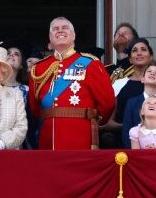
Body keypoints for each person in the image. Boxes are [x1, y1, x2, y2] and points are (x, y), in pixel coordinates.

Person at [29, 17, 115, 150]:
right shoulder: (39, 68)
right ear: (50, 38)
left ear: (73, 36)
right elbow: (35, 108)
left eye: (65, 28)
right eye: (55, 29)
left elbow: (107, 102)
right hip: (47, 138)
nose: (60, 31)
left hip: (80, 136)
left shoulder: (91, 64)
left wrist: (96, 123)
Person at [122, 61, 156, 149]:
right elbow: (126, 130)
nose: (152, 73)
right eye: (149, 71)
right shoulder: (132, 102)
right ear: (142, 79)